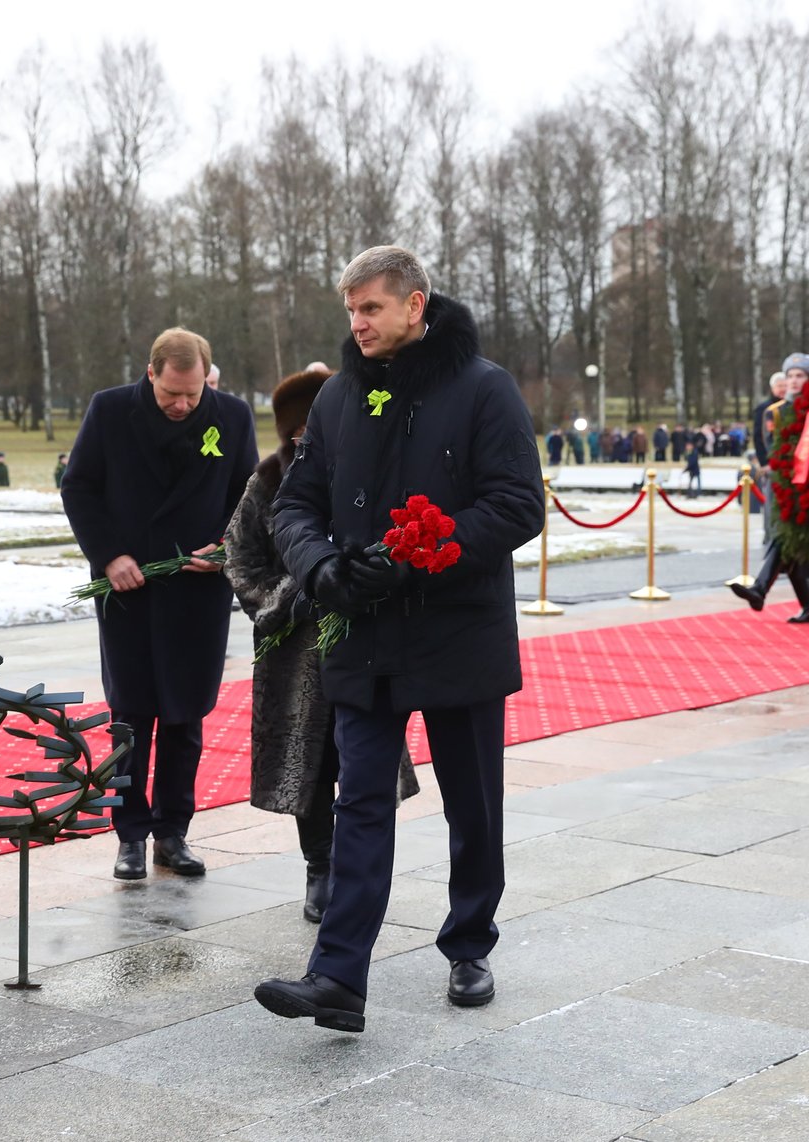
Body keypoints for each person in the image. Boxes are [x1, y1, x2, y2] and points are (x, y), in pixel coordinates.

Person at [255, 246, 544, 1033]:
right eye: (351, 311)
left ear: (415, 305)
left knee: (472, 807)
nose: (358, 323)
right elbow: (295, 506)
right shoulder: (341, 398)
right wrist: (323, 570)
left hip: (458, 634)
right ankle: (339, 979)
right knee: (359, 807)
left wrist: (419, 558)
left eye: (372, 308)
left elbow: (518, 505)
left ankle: (469, 942)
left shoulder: (484, 389)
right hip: (364, 636)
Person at [226, 366, 419, 924]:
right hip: (293, 653)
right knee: (305, 763)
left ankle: (359, 867)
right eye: (301, 433)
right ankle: (319, 866)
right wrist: (291, 595)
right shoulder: (268, 480)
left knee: (361, 759)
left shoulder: (374, 471)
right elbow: (239, 559)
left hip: (363, 639)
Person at [62, 328, 257, 881]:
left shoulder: (233, 417)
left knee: (184, 716)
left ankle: (173, 832)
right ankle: (129, 836)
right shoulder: (109, 411)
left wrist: (227, 548)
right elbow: (78, 488)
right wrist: (109, 556)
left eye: (192, 395)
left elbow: (250, 498)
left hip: (196, 594)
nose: (182, 404)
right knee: (131, 716)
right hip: (130, 591)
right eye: (172, 393)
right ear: (151, 373)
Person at [732, 352, 809, 623]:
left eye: (800, 376)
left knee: (786, 539)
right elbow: (774, 449)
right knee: (787, 541)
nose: (793, 381)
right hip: (785, 485)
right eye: (790, 376)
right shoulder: (776, 411)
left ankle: (760, 588)